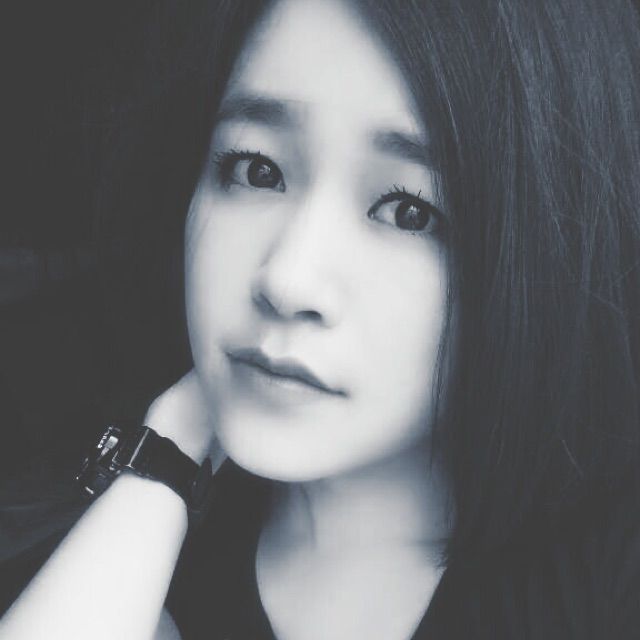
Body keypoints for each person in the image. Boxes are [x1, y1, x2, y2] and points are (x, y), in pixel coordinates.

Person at [2, 0, 640, 638]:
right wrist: (159, 463)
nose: (286, 281)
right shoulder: (92, 546)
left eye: (409, 211)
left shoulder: (606, 580)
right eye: (257, 170)